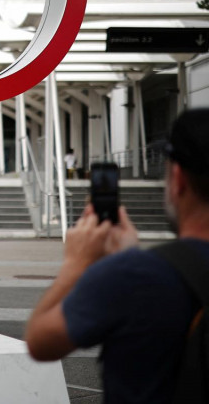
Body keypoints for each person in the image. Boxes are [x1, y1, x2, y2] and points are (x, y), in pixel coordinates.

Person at [25, 108, 209, 403]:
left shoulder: (134, 276)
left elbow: (41, 340)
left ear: (178, 179)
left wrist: (77, 264)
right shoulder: (136, 271)